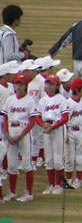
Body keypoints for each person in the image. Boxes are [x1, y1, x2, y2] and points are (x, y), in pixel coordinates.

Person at [1, 72, 38, 202]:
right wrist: (7, 134)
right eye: (17, 83)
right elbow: (5, 118)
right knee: (12, 164)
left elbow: (32, 121)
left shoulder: (30, 100)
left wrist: (21, 135)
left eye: (21, 84)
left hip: (24, 130)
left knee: (27, 163)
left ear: (26, 85)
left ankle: (29, 192)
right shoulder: (10, 99)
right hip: (11, 129)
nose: (18, 86)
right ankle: (12, 192)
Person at [35, 74, 69, 194]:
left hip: (58, 128)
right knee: (49, 158)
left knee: (58, 158)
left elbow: (65, 117)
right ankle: (51, 184)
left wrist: (53, 127)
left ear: (57, 86)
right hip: (46, 128)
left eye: (51, 83)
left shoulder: (61, 99)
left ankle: (59, 185)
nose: (48, 86)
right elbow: (37, 116)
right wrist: (43, 125)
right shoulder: (43, 100)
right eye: (47, 83)